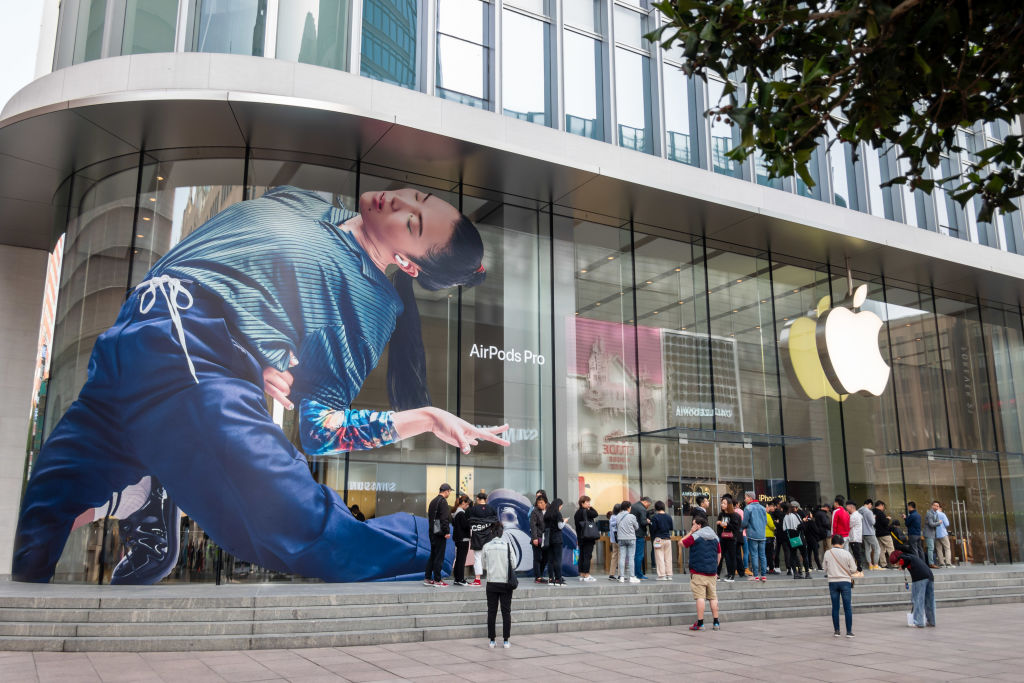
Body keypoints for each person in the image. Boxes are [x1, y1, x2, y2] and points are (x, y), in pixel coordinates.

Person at [13, 186, 510, 585]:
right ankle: (144, 493)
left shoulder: (369, 305)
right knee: (37, 531)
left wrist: (426, 417)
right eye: (416, 197)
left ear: (407, 263)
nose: (398, 202)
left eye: (413, 223)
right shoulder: (309, 201)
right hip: (128, 342)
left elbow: (320, 427)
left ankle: (474, 542)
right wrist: (256, 355)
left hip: (197, 363)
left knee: (308, 528)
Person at [481, 521, 517, 649]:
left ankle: (492, 640)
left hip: (491, 582)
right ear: (501, 532)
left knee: (492, 611)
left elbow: (484, 565)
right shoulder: (507, 546)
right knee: (506, 612)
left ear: (491, 532)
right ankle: (506, 640)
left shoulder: (486, 546)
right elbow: (514, 563)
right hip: (505, 582)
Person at [682, 517, 722, 631]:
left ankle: (700, 623)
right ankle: (716, 622)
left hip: (698, 572)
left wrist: (691, 532)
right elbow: (719, 554)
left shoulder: (695, 536)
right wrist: (715, 567)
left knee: (700, 597)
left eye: (694, 524)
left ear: (699, 525)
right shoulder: (715, 537)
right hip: (712, 572)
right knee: (713, 597)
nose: (692, 526)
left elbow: (682, 542)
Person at [890, 550, 936, 628]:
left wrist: (902, 564)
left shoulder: (904, 557)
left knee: (918, 600)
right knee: (929, 601)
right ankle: (931, 621)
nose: (897, 565)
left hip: (919, 578)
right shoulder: (911, 555)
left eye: (896, 563)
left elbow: (904, 559)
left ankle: (918, 622)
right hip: (929, 576)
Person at [823, 534, 857, 638]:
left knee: (835, 608)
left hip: (832, 582)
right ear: (842, 543)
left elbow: (824, 568)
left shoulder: (827, 553)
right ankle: (849, 632)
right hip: (845, 582)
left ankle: (837, 631)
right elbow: (854, 569)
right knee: (847, 608)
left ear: (832, 543)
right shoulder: (847, 554)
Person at [468, 492, 498, 585]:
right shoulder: (491, 509)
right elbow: (496, 523)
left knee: (477, 558)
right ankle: (491, 578)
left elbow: (468, 522)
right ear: (486, 499)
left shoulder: (473, 509)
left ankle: (477, 579)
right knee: (490, 558)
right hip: (488, 537)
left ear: (477, 499)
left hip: (477, 537)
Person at [425, 483, 453, 587]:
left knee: (433, 555)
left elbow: (433, 518)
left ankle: (427, 578)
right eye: (449, 491)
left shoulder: (433, 501)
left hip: (432, 531)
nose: (449, 493)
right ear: (446, 491)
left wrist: (436, 530)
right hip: (439, 532)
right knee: (439, 556)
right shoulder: (443, 502)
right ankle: (437, 580)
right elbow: (444, 519)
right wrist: (446, 532)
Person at [742, 492, 768, 582]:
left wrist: (742, 528)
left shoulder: (748, 508)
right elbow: (765, 522)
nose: (744, 499)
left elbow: (745, 522)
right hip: (762, 535)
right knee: (762, 555)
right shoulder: (762, 508)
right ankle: (764, 576)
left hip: (752, 534)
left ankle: (756, 576)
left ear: (750, 498)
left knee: (754, 555)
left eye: (745, 497)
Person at [782, 501, 810, 579]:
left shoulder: (785, 517)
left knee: (793, 555)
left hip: (791, 538)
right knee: (804, 555)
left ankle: (795, 573)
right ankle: (807, 573)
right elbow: (800, 527)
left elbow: (784, 529)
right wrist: (804, 521)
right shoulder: (796, 515)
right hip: (799, 537)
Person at [716, 498, 742, 582]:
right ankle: (717, 574)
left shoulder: (735, 515)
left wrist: (726, 524)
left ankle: (731, 575)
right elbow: (719, 528)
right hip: (722, 538)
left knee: (731, 557)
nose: (722, 505)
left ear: (729, 505)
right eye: (722, 503)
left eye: (724, 503)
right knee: (720, 556)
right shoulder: (721, 514)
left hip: (731, 539)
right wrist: (720, 528)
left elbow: (736, 528)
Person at [574, 496, 599, 582]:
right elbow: (596, 514)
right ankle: (587, 574)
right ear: (582, 503)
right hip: (588, 537)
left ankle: (581, 574)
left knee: (582, 556)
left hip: (580, 538)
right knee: (587, 556)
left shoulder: (577, 513)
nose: (589, 504)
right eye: (587, 502)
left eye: (589, 502)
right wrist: (590, 507)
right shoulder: (587, 512)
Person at [544, 498, 567, 586]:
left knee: (550, 560)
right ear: (559, 505)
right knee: (557, 559)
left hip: (549, 539)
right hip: (557, 539)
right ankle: (558, 579)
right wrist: (564, 521)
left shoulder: (547, 513)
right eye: (561, 506)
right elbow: (560, 526)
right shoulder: (558, 513)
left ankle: (551, 579)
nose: (561, 508)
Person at [616, 500, 640, 583]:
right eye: (630, 507)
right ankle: (632, 577)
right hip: (631, 538)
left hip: (621, 539)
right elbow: (637, 527)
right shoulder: (632, 516)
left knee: (622, 557)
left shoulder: (618, 516)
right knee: (631, 558)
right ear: (628, 507)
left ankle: (621, 577)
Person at [451, 494, 472, 586]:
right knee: (461, 560)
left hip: (458, 538)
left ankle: (457, 578)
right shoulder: (461, 513)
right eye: (467, 504)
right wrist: (470, 522)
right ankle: (460, 579)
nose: (467, 507)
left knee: (458, 559)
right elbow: (466, 526)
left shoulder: (455, 512)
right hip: (463, 539)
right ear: (463, 503)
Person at [630, 497, 653, 580]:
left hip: (632, 534)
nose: (648, 507)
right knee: (639, 555)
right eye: (648, 505)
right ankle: (638, 574)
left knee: (633, 555)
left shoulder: (633, 506)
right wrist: (648, 521)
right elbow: (643, 522)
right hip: (639, 534)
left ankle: (633, 574)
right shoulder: (642, 509)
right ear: (645, 502)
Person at [650, 501, 674, 580]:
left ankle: (662, 575)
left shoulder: (655, 517)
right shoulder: (668, 516)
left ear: (656, 508)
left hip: (658, 539)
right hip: (667, 539)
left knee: (659, 557)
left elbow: (653, 529)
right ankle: (669, 574)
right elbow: (671, 528)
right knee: (668, 557)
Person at [530, 495, 548, 583]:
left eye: (541, 502)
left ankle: (540, 574)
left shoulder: (549, 511)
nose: (540, 504)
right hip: (538, 537)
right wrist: (535, 538)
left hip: (547, 538)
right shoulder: (535, 512)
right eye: (538, 503)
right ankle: (538, 577)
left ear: (546, 503)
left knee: (545, 558)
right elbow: (533, 526)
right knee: (537, 558)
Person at [858, 499, 880, 570]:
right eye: (871, 505)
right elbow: (872, 523)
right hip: (870, 532)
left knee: (867, 549)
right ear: (869, 504)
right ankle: (876, 565)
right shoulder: (869, 512)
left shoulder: (859, 511)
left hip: (863, 533)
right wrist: (874, 517)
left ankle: (870, 565)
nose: (871, 507)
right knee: (877, 548)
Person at [845, 501, 865, 576]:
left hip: (855, 538)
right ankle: (858, 570)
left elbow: (848, 525)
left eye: (847, 507)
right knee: (856, 554)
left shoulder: (854, 516)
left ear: (851, 507)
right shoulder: (856, 515)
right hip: (855, 537)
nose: (846, 508)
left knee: (857, 554)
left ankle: (859, 571)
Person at [874, 501, 893, 568]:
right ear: (881, 505)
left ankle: (883, 564)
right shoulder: (880, 513)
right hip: (885, 533)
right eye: (883, 506)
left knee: (881, 550)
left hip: (877, 533)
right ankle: (894, 564)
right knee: (890, 548)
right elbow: (885, 523)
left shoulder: (873, 512)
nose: (883, 508)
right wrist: (888, 519)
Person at [934, 502, 952, 567]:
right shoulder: (942, 514)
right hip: (943, 533)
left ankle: (941, 562)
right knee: (947, 548)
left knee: (939, 549)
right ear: (940, 508)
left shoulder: (932, 515)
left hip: (935, 534)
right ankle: (948, 562)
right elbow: (947, 524)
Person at [607, 504, 621, 580]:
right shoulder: (619, 517)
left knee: (614, 557)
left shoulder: (612, 517)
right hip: (619, 539)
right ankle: (620, 575)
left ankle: (611, 574)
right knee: (620, 556)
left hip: (613, 540)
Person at [765, 499, 778, 575]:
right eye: (767, 507)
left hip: (762, 536)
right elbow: (771, 525)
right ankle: (771, 569)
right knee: (770, 553)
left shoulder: (760, 515)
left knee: (764, 553)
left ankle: (765, 568)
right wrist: (775, 527)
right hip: (769, 536)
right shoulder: (767, 515)